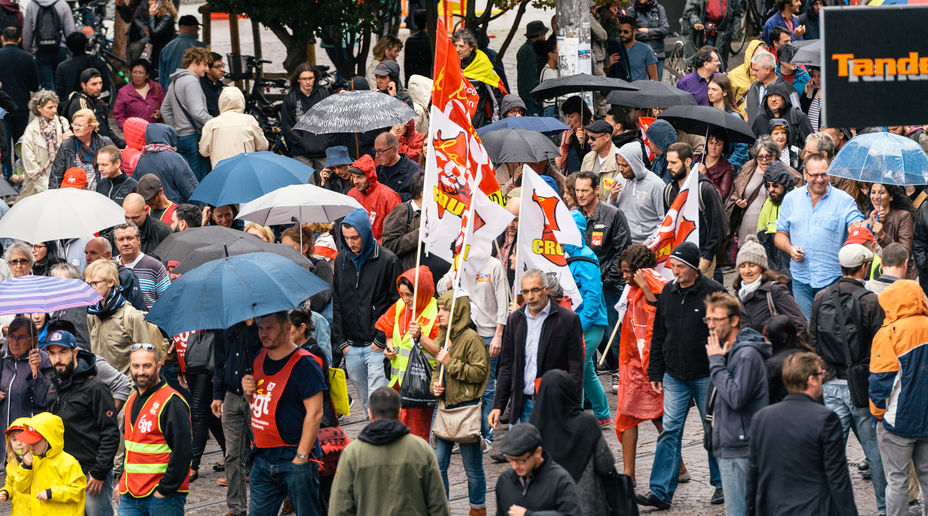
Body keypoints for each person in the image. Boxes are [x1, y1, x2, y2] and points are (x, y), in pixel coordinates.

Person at [638, 242, 725, 509]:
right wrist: (655, 370)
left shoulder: (714, 292)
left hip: (707, 374)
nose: (674, 271)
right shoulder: (668, 291)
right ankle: (660, 492)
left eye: (679, 267)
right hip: (675, 375)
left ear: (692, 267)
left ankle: (722, 484)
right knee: (670, 431)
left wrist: (722, 367)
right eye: (672, 266)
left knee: (713, 429)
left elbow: (728, 334)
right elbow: (659, 334)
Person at [810, 242, 887, 513]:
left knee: (829, 452)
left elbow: (812, 339)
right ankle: (884, 508)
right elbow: (879, 343)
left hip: (830, 382)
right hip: (861, 384)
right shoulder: (870, 300)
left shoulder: (821, 297)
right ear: (864, 267)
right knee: (875, 452)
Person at [238, 312, 325, 515]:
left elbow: (315, 412)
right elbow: (260, 406)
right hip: (263, 458)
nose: (263, 334)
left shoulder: (305, 364)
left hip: (294, 458)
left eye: (270, 328)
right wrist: (248, 395)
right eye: (261, 328)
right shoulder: (259, 358)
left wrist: (301, 457)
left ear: (286, 328)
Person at [749, 352, 857, 514]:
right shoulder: (824, 418)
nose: (823, 378)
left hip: (774, 507)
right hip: (813, 507)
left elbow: (753, 473)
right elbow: (837, 475)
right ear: (811, 380)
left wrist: (751, 509)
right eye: (821, 374)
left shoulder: (761, 418)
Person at [328, 387, 448, 516]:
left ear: (370, 414)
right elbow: (438, 505)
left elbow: (340, 508)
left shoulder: (352, 453)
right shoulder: (421, 448)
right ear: (400, 413)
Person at [488, 269, 584, 428]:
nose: (530, 296)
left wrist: (571, 406)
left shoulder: (568, 319)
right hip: (522, 405)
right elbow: (507, 365)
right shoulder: (515, 320)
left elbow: (576, 367)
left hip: (554, 405)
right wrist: (498, 405)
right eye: (525, 292)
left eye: (535, 290)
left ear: (546, 290)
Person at [704, 292, 770, 516]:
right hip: (730, 443)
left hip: (741, 446)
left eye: (717, 319)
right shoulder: (729, 352)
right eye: (708, 319)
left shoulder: (746, 356)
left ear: (734, 320)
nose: (711, 326)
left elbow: (736, 397)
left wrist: (716, 363)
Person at [775, 153, 864, 316]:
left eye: (824, 174)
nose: (820, 179)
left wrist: (859, 226)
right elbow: (780, 234)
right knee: (807, 328)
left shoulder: (844, 200)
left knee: (831, 326)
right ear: (804, 173)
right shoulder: (791, 199)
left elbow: (857, 223)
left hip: (833, 279)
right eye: (814, 175)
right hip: (801, 279)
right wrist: (790, 249)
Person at [44, 329, 120, 516]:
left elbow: (110, 433)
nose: (58, 359)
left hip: (90, 473)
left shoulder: (95, 388)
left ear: (75, 352)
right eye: (52, 353)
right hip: (62, 472)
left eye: (63, 352)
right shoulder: (53, 387)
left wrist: (99, 471)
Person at [869, 279, 928, 516]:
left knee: (896, 481)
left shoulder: (888, 333)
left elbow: (881, 382)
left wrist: (879, 415)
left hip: (898, 421)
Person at [332, 208, 400, 412]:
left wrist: (381, 339)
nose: (351, 243)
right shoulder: (341, 260)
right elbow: (338, 300)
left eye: (355, 237)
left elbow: (396, 304)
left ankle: (382, 432)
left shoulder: (388, 260)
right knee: (366, 405)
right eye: (346, 238)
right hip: (351, 346)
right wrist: (341, 341)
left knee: (379, 405)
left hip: (376, 346)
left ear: (365, 234)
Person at [427, 292, 489, 515]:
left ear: (458, 311)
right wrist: (435, 386)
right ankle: (441, 508)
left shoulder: (472, 338)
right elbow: (437, 369)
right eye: (440, 309)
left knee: (472, 469)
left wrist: (451, 363)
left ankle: (477, 509)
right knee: (438, 464)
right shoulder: (443, 336)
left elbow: (480, 373)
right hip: (445, 409)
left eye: (445, 309)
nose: (440, 313)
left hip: (466, 410)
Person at [118, 343, 192, 515]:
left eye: (147, 366)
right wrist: (122, 482)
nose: (141, 371)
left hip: (161, 496)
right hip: (130, 493)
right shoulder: (131, 401)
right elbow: (130, 449)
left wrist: (164, 490)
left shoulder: (172, 402)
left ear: (158, 367)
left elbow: (183, 452)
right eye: (136, 366)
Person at [615, 245, 669, 480]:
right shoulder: (631, 291)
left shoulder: (656, 286)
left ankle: (679, 467)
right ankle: (629, 474)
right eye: (623, 271)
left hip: (651, 364)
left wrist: (646, 288)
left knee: (659, 416)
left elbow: (660, 318)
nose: (625, 276)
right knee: (627, 416)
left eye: (628, 271)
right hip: (632, 364)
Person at [573, 170, 631, 386]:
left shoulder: (613, 214)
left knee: (611, 330)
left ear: (596, 190)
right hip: (582, 285)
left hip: (608, 285)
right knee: (588, 329)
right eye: (577, 190)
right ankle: (592, 373)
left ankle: (619, 370)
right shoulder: (574, 215)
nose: (580, 195)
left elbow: (622, 251)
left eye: (584, 190)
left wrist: (604, 279)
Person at [531, 370, 615, 516]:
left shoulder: (534, 429)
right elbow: (605, 464)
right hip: (587, 503)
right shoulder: (587, 424)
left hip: (548, 504)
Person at [372, 266, 439, 440]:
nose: (405, 299)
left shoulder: (436, 311)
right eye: (402, 294)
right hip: (399, 385)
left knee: (419, 432)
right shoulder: (399, 307)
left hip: (422, 386)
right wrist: (389, 348)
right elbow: (389, 332)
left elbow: (441, 351)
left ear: (421, 292)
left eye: (409, 295)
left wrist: (421, 337)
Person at [563, 210, 611, 425]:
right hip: (580, 323)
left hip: (589, 324)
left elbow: (592, 297)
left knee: (575, 367)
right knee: (585, 369)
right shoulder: (568, 255)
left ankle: (574, 417)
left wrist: (579, 326)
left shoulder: (585, 257)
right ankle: (603, 414)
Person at [83, 259, 159, 377]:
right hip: (101, 385)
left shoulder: (132, 316)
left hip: (127, 385)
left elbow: (147, 358)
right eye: (87, 284)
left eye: (94, 283)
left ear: (110, 282)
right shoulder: (92, 314)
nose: (90, 288)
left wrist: (134, 386)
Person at [664, 142, 728, 276]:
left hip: (701, 258)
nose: (669, 167)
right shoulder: (668, 191)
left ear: (688, 162)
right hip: (677, 259)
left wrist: (707, 258)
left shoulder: (704, 189)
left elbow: (719, 226)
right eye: (668, 162)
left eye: (673, 162)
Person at [495, 423, 581, 515]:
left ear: (538, 452)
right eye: (511, 460)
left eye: (521, 460)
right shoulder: (505, 480)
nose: (514, 466)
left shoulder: (560, 480)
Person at [12, 412, 86, 514]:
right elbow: (21, 488)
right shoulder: (33, 461)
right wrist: (26, 468)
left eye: (35, 442)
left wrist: (51, 493)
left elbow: (78, 490)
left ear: (49, 440)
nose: (31, 446)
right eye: (29, 441)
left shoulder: (67, 462)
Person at [733, 235, 807, 333]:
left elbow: (799, 324)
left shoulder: (775, 291)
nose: (747, 271)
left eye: (752, 265)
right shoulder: (736, 296)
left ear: (762, 267)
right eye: (742, 266)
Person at [728, 138, 792, 249]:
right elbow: (735, 193)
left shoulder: (784, 174)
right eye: (760, 157)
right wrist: (737, 204)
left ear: (775, 155)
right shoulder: (746, 170)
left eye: (768, 156)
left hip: (769, 235)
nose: (764, 160)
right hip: (745, 231)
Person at [161, 46, 212, 181]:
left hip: (180, 137)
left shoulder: (175, 80)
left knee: (184, 178)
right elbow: (197, 112)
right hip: (193, 137)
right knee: (197, 179)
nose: (207, 69)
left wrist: (175, 128)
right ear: (195, 61)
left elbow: (165, 109)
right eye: (205, 64)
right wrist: (214, 123)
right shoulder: (191, 81)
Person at [0, 316, 54, 432]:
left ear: (34, 340)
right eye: (11, 337)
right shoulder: (2, 358)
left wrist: (36, 373)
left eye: (21, 338)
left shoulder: (44, 361)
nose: (15, 343)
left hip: (28, 435)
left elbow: (45, 400)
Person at [0, 26, 40, 176]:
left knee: (3, 144)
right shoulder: (27, 58)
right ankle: (21, 176)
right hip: (21, 106)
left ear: (2, 38)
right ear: (19, 39)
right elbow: (34, 86)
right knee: (21, 144)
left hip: (1, 108)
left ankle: (6, 178)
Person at [198, 86, 268, 168]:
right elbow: (263, 146)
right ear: (242, 101)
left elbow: (203, 151)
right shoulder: (249, 120)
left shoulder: (211, 124)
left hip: (220, 169)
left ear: (221, 102)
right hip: (245, 168)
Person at [16, 89, 68, 199]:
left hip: (61, 177)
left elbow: (71, 150)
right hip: (39, 184)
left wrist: (67, 141)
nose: (54, 110)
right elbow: (31, 165)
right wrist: (47, 186)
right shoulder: (31, 131)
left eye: (55, 106)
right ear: (39, 108)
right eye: (50, 107)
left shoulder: (62, 122)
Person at [48, 108, 114, 190]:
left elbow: (116, 170)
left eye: (80, 125)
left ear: (91, 127)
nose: (76, 128)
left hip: (99, 193)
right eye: (74, 124)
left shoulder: (105, 143)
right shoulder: (67, 145)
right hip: (74, 192)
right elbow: (56, 175)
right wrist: (55, 194)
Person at [279, 63, 330, 171]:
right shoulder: (291, 98)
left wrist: (326, 141)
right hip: (300, 152)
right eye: (304, 79)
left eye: (310, 78)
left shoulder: (323, 94)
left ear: (315, 78)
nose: (307, 82)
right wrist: (302, 141)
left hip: (323, 151)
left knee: (326, 180)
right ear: (298, 80)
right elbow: (286, 125)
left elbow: (331, 119)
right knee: (307, 180)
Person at [615, 141, 666, 244]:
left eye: (624, 165)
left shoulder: (656, 185)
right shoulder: (619, 179)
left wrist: (647, 244)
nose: (620, 169)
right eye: (618, 164)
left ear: (635, 164)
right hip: (621, 243)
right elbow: (611, 214)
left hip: (644, 246)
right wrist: (612, 199)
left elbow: (664, 221)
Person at [132, 123, 198, 203]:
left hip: (151, 207)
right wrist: (200, 207)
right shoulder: (175, 158)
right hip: (175, 207)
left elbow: (136, 188)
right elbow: (189, 186)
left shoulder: (141, 161)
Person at [452, 29, 505, 128]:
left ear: (471, 47)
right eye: (455, 45)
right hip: (455, 121)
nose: (457, 49)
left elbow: (495, 100)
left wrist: (495, 126)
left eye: (461, 46)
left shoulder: (482, 65)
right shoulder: (450, 64)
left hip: (477, 122)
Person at [347, 154, 401, 242]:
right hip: (355, 246)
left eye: (359, 177)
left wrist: (378, 246)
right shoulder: (351, 194)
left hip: (380, 247)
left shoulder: (389, 197)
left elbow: (396, 230)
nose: (355, 181)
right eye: (353, 177)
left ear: (369, 176)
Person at [83, 237, 147, 312]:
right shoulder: (86, 276)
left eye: (93, 253)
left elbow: (138, 310)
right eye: (86, 253)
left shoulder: (126, 276)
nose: (87, 257)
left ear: (108, 254)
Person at [22, 0, 75, 89]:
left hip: (41, 49)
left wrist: (28, 48)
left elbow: (27, 30)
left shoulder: (32, 5)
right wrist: (71, 51)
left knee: (46, 84)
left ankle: (48, 96)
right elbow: (70, 30)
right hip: (60, 48)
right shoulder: (62, 4)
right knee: (61, 82)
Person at [65, 68, 122, 147]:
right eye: (94, 84)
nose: (99, 87)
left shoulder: (99, 102)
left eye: (100, 83)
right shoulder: (80, 104)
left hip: (104, 144)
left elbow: (107, 130)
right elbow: (87, 135)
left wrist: (123, 145)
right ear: (83, 85)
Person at [869, 183, 916, 278]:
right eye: (873, 192)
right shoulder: (869, 216)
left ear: (891, 197)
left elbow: (904, 252)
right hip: (873, 274)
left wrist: (882, 235)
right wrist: (869, 224)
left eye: (881, 193)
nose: (876, 197)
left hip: (897, 275)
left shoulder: (903, 216)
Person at [54, 32, 112, 106]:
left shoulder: (62, 67)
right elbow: (106, 88)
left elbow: (60, 93)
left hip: (71, 107)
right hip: (96, 106)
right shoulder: (98, 62)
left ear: (68, 47)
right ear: (86, 44)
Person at [681, 0, 739, 72]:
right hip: (705, 29)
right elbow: (690, 9)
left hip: (723, 30)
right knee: (706, 60)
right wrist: (696, 22)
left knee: (720, 62)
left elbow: (736, 11)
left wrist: (735, 31)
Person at [750, 81, 812, 147]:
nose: (773, 99)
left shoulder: (797, 116)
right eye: (770, 96)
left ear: (784, 97)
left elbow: (811, 143)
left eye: (777, 95)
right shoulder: (760, 120)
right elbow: (752, 146)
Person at [745, 51, 799, 123]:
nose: (753, 73)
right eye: (752, 70)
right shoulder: (753, 86)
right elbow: (747, 112)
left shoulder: (788, 89)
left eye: (756, 70)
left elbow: (797, 117)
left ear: (768, 69)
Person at [113, 59, 164, 129]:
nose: (137, 76)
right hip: (134, 132)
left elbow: (165, 108)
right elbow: (118, 115)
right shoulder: (124, 92)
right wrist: (127, 128)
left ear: (147, 75)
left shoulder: (156, 88)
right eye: (134, 72)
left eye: (141, 73)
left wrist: (160, 113)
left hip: (155, 130)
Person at [157, 15, 204, 89]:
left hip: (169, 91)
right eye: (197, 29)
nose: (197, 32)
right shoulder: (200, 47)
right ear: (193, 28)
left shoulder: (166, 48)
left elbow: (161, 77)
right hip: (192, 89)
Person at [627, 0, 670, 80]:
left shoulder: (659, 8)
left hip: (658, 54)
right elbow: (631, 32)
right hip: (639, 55)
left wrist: (646, 31)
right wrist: (653, 36)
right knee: (639, 85)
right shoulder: (631, 10)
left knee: (656, 85)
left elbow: (665, 30)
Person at [580, 119, 622, 200]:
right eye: (588, 137)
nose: (589, 141)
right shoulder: (587, 158)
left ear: (606, 137)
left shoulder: (620, 158)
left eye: (593, 138)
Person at [374, 131, 420, 201]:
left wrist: (391, 195)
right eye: (375, 151)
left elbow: (419, 199)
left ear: (394, 150)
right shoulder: (377, 171)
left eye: (381, 151)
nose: (377, 155)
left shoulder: (414, 171)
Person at [516, 20, 547, 116]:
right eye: (543, 35)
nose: (545, 37)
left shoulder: (526, 49)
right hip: (532, 101)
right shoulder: (530, 51)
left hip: (528, 98)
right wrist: (536, 100)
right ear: (539, 36)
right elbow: (531, 78)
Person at [556, 96, 593, 174]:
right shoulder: (567, 133)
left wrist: (583, 142)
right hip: (571, 177)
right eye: (566, 117)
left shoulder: (594, 131)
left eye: (571, 117)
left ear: (582, 114)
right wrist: (566, 145)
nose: (568, 121)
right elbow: (560, 165)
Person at [614, 15, 658, 81]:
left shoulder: (646, 50)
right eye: (620, 31)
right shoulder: (614, 48)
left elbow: (654, 78)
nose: (622, 34)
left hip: (640, 87)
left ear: (634, 31)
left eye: (626, 32)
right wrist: (608, 65)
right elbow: (606, 73)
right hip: (618, 87)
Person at [699, 128, 737, 199]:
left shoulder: (727, 168)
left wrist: (705, 174)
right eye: (711, 143)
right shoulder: (696, 159)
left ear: (723, 147)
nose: (713, 147)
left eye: (718, 144)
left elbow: (722, 195)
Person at [646, 119, 677, 183]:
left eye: (650, 138)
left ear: (658, 139)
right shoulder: (657, 161)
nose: (648, 141)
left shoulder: (679, 162)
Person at [404, 10, 431, 83]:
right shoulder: (432, 40)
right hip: (429, 79)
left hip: (414, 79)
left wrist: (407, 82)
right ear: (427, 23)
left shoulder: (410, 40)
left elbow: (407, 65)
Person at [200, 52, 224, 117]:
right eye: (218, 67)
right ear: (207, 69)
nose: (222, 69)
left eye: (222, 65)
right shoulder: (202, 86)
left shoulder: (219, 85)